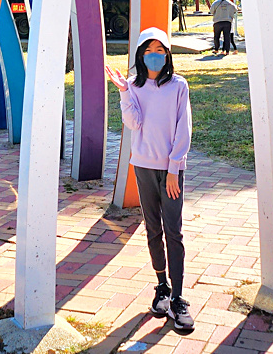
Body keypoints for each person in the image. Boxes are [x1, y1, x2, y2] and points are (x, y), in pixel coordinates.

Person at [105, 28, 195, 335]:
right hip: (142, 167)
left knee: (174, 232)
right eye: (148, 50)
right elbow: (134, 124)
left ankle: (179, 298)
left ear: (167, 54)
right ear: (140, 55)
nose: (154, 55)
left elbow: (184, 128)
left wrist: (174, 168)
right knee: (153, 229)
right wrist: (123, 92)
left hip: (170, 172)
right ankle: (161, 287)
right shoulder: (133, 85)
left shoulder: (179, 85)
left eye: (160, 49)